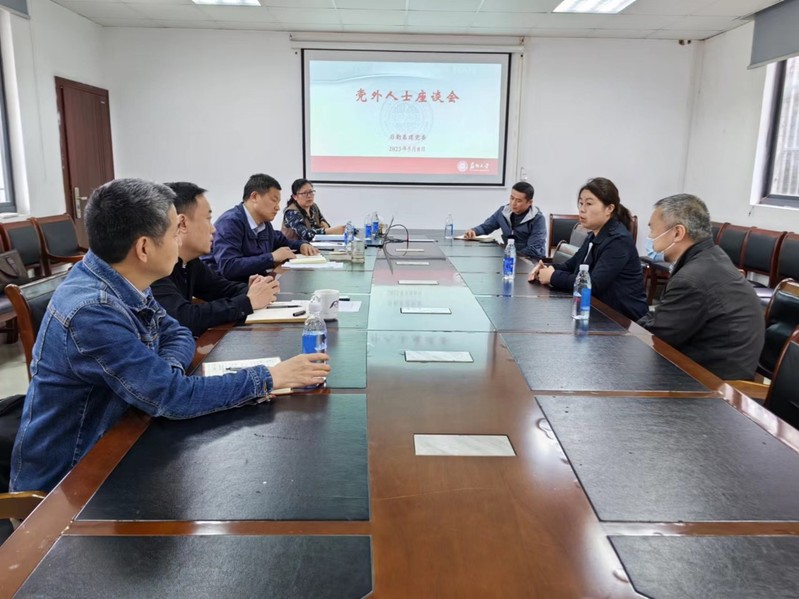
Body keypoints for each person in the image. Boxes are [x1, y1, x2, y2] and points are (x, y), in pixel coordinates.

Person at [10, 178, 330, 493]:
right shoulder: (93, 310)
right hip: (72, 484)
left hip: (127, 436)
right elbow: (172, 397)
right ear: (144, 248)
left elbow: (177, 332)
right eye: (174, 231)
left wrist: (165, 372)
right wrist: (271, 377)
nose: (180, 240)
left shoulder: (124, 278)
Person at [638, 194, 764, 380]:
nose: (650, 237)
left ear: (677, 233)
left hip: (713, 383)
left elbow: (657, 336)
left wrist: (640, 323)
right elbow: (664, 318)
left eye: (652, 230)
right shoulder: (711, 256)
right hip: (711, 366)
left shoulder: (692, 279)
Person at [151, 182, 280, 337]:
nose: (213, 229)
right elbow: (184, 318)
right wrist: (247, 302)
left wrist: (254, 289)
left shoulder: (190, 262)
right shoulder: (154, 267)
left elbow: (222, 289)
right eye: (208, 219)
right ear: (182, 223)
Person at [529, 177, 648, 321]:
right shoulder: (594, 234)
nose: (582, 209)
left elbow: (593, 284)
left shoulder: (618, 240)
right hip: (597, 310)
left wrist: (553, 276)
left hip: (623, 319)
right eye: (581, 203)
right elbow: (571, 266)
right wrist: (546, 268)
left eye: (589, 204)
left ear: (609, 209)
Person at [207, 174, 319, 281]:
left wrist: (301, 245)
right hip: (227, 287)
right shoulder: (230, 222)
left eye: (278, 202)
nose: (278, 208)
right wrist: (271, 257)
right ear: (254, 197)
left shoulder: (264, 224)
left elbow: (283, 241)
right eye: (274, 200)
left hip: (255, 283)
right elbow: (229, 267)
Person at [463, 181, 547, 260]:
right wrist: (474, 231)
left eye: (518, 201)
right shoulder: (503, 212)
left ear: (529, 202)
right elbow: (486, 227)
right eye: (512, 198)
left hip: (530, 261)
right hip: (509, 258)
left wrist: (510, 255)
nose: (513, 203)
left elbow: (534, 249)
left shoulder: (538, 219)